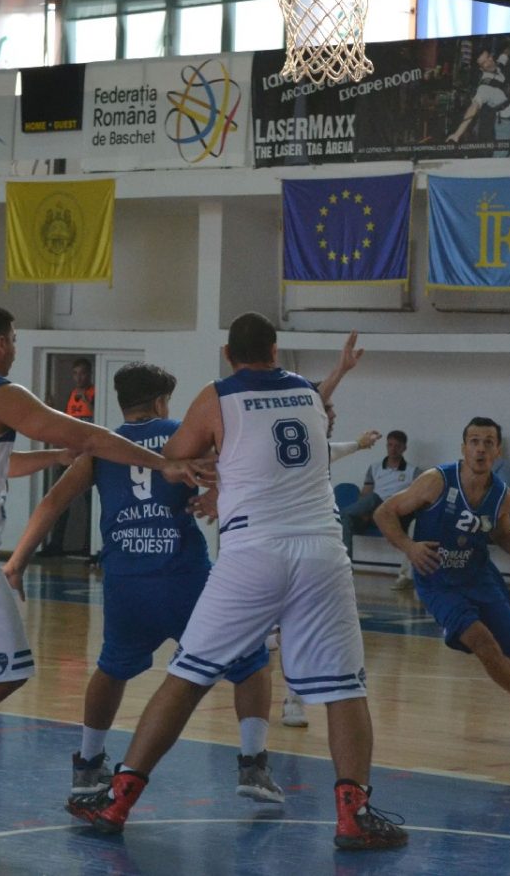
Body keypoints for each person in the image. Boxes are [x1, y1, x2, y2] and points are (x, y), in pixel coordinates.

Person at [67, 312, 407, 851]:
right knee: (345, 689)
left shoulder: (218, 395)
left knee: (187, 676)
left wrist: (215, 476)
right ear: (275, 349)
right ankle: (352, 815)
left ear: (229, 354)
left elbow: (174, 456)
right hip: (321, 551)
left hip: (253, 552)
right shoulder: (309, 396)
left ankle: (118, 800)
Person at [0, 304, 211, 825]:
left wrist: (51, 460)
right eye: (13, 340)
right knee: (7, 669)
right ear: (1, 342)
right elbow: (87, 437)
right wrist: (162, 461)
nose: (15, 349)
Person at [4, 362, 283, 807]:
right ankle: (253, 765)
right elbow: (240, 471)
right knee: (251, 661)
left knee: (111, 670)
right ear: (160, 402)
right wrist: (215, 496)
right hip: (184, 579)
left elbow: (53, 502)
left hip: (125, 581)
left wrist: (17, 561)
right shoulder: (182, 435)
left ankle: (87, 765)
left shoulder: (102, 447)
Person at [373, 417, 510, 746]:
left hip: (479, 576)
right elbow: (384, 512)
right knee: (482, 642)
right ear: (463, 448)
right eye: (474, 442)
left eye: (488, 442)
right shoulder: (436, 481)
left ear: (498, 451)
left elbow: (503, 535)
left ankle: (464, 637)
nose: (480, 449)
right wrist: (410, 547)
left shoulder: (503, 496)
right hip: (438, 580)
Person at [281, 394, 381, 729]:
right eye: (327, 408)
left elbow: (332, 450)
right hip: (289, 549)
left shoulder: (316, 447)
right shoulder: (287, 450)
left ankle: (303, 697)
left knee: (317, 630)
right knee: (293, 628)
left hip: (324, 553)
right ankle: (291, 699)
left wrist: (360, 444)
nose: (334, 413)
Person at [339, 430, 421, 589]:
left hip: (393, 512)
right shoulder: (375, 468)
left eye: (397, 446)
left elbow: (416, 496)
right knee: (347, 518)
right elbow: (365, 494)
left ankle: (340, 516)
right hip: (372, 508)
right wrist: (364, 513)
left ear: (404, 448)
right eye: (390, 445)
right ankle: (346, 568)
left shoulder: (413, 471)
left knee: (375, 501)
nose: (393, 449)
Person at [45, 357, 96, 556]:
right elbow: (67, 421)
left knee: (89, 502)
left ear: (89, 374)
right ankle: (56, 545)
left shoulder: (94, 393)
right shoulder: (72, 394)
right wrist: (50, 410)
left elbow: (99, 416)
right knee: (61, 497)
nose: (79, 377)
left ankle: (88, 547)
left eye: (82, 373)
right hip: (70, 452)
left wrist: (86, 400)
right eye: (75, 373)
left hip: (89, 454)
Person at [447, 46, 510, 157]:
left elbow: (506, 52)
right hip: (506, 125)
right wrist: (457, 134)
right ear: (481, 68)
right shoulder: (484, 87)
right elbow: (474, 107)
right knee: (501, 159)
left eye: (488, 57)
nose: (490, 61)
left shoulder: (498, 66)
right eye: (484, 62)